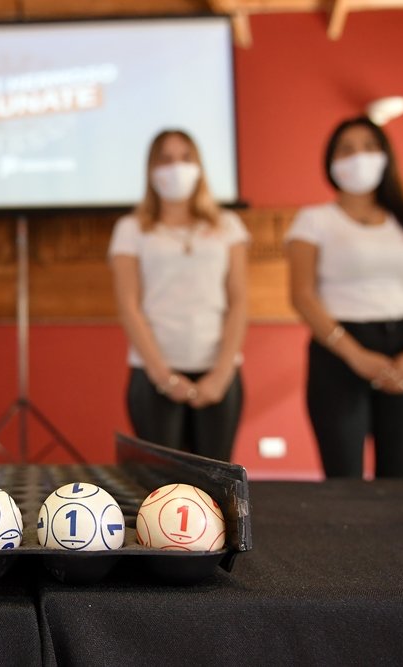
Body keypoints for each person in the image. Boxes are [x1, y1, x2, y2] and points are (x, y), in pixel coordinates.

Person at [286, 116, 403, 479]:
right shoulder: (313, 221)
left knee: (400, 480)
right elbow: (302, 295)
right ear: (330, 161)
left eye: (369, 147)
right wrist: (355, 355)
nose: (358, 157)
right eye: (346, 149)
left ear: (386, 156)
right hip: (339, 350)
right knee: (343, 480)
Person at [109, 129, 249, 460]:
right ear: (151, 169)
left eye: (185, 158)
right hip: (154, 373)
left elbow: (239, 301)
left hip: (218, 371)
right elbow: (128, 305)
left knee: (216, 489)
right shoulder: (131, 229)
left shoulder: (228, 225)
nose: (176, 167)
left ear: (199, 165)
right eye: (166, 159)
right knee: (161, 490)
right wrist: (163, 376)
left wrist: (221, 375)